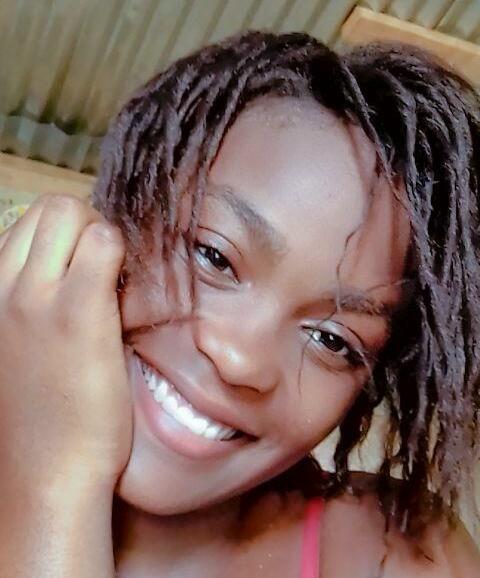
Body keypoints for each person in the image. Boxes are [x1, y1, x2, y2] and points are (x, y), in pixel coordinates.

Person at [0, 31, 479, 578]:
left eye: (332, 339)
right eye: (213, 256)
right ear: (123, 209)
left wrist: (55, 483)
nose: (239, 359)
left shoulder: (390, 553)